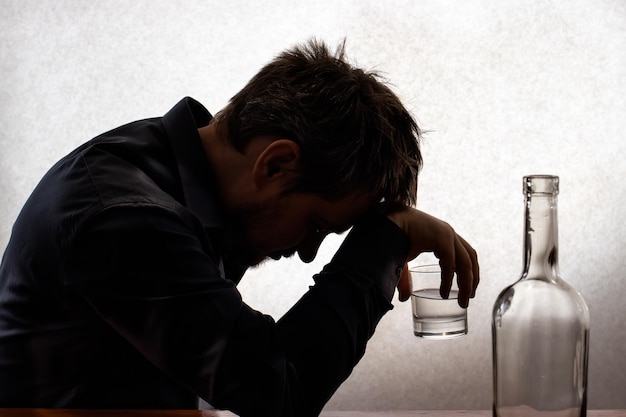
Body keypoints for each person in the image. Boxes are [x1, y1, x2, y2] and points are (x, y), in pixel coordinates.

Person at [0, 39, 479, 416]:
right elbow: (278, 388)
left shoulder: (161, 172)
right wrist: (379, 248)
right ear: (276, 164)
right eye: (316, 225)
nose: (308, 252)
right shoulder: (126, 221)